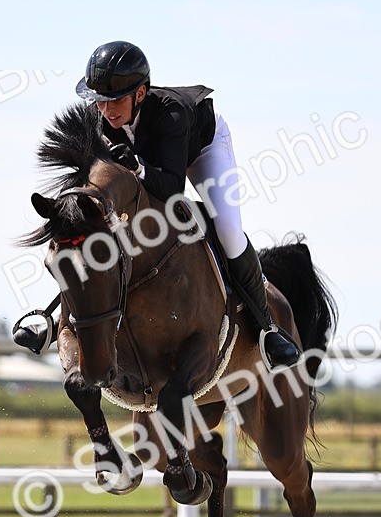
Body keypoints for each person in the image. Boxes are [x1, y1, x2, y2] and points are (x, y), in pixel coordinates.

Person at [75, 41, 300, 368]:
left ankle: (267, 326)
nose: (107, 111)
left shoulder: (173, 114)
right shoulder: (101, 122)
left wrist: (138, 167)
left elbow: (170, 188)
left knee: (227, 230)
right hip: (155, 161)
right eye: (100, 102)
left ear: (140, 94)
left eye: (116, 100)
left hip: (203, 149)